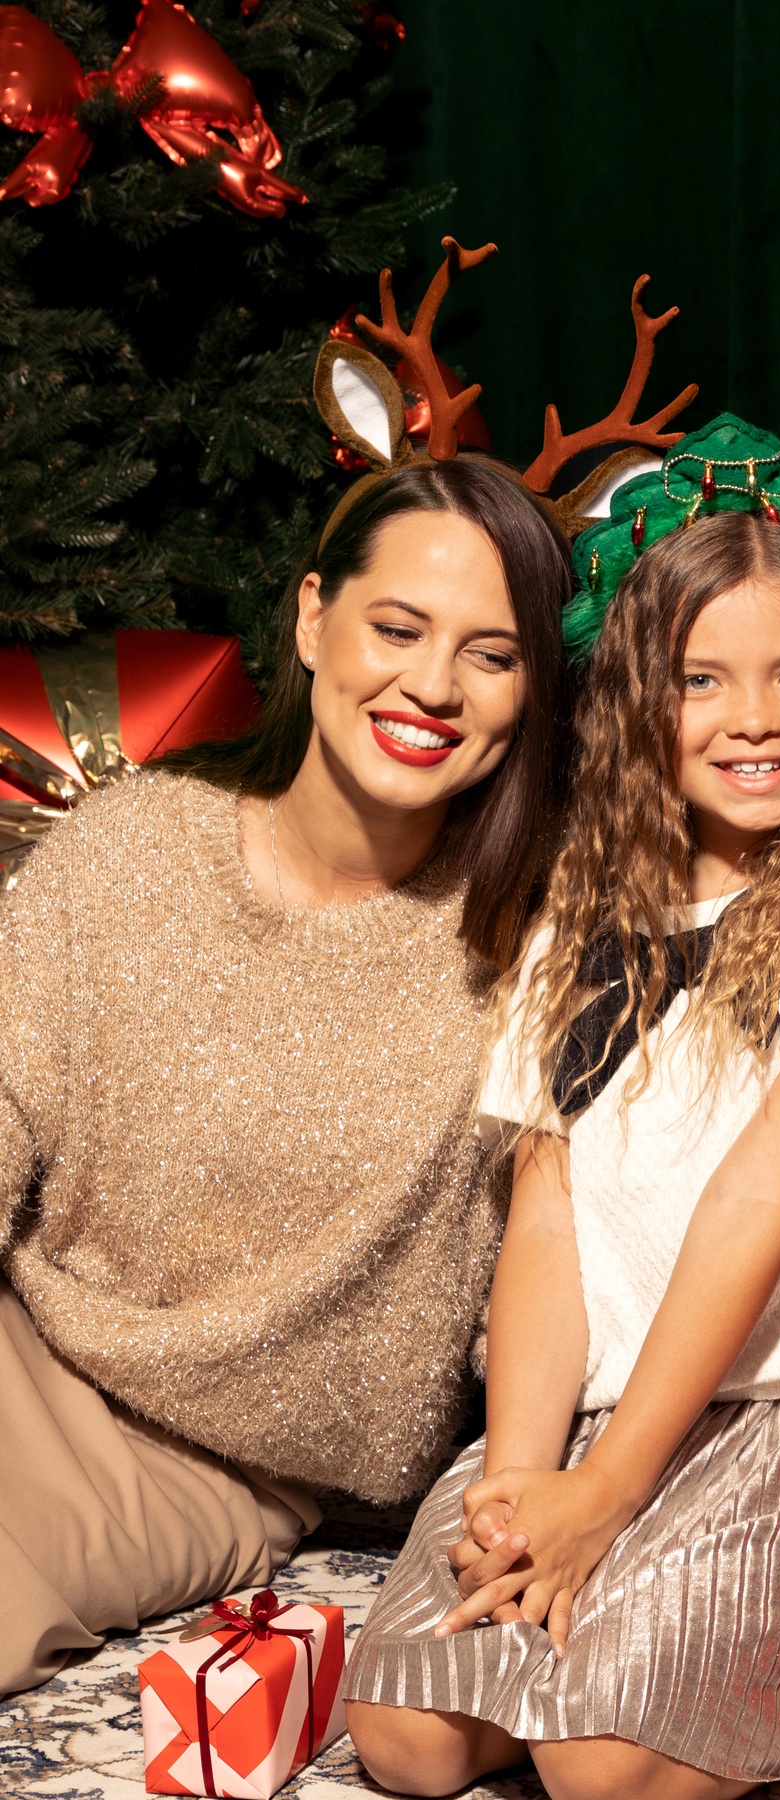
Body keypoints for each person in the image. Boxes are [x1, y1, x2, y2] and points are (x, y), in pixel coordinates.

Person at [344, 416, 780, 1800]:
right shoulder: (582, 917)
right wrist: (526, 1487)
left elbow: (759, 1191)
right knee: (408, 1742)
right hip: (602, 1408)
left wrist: (606, 1503)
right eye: (699, 680)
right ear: (634, 702)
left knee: (596, 1767)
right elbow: (546, 1220)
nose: (752, 718)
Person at [0, 447, 574, 1694]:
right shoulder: (132, 846)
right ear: (315, 620)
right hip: (24, 1345)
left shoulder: (535, 946)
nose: (433, 685)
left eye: (491, 654)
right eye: (398, 628)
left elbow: (565, 1247)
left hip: (212, 1462)